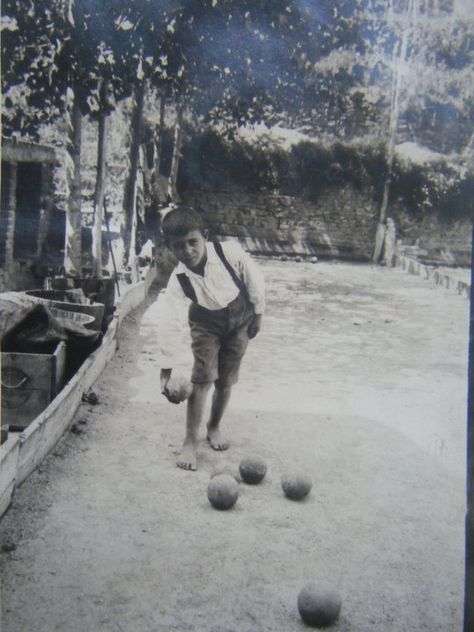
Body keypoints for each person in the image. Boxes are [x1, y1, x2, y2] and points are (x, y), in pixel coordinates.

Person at [156, 205, 265, 471]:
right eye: (179, 246)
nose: (188, 251)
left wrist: (258, 314)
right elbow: (169, 321)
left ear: (205, 235)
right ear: (169, 247)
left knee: (226, 381)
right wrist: (166, 370)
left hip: (241, 319)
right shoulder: (178, 279)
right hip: (205, 324)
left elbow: (255, 281)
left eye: (193, 242)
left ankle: (213, 426)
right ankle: (190, 442)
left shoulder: (230, 253)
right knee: (201, 380)